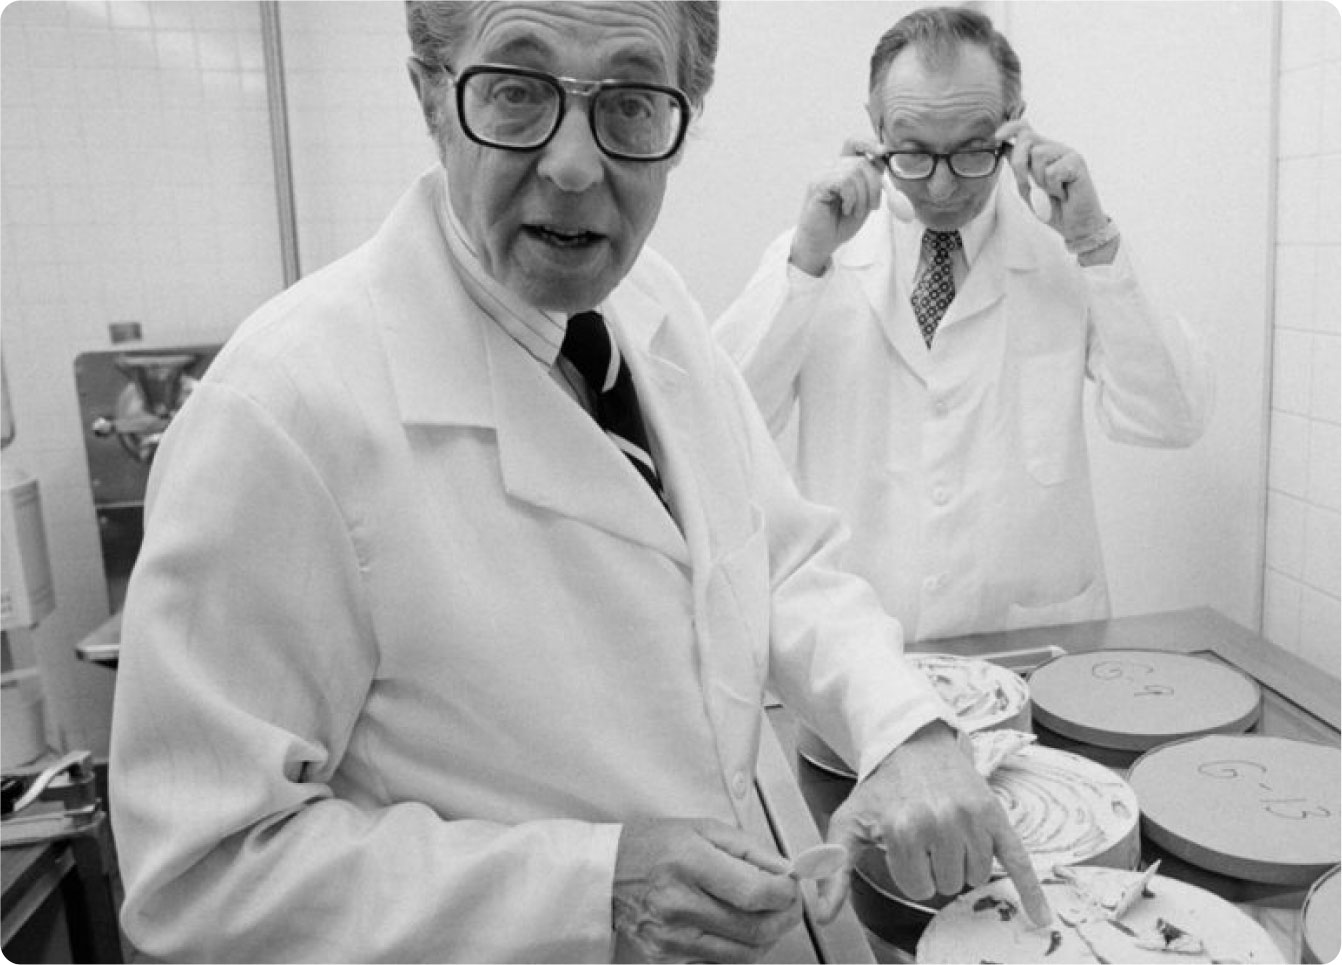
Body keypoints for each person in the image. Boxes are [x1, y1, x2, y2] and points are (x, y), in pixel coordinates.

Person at [108, 3, 1048, 962]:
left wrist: (900, 726)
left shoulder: (649, 300)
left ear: (683, 115)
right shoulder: (280, 412)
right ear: (432, 95)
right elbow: (200, 875)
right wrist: (589, 890)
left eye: (632, 101)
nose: (570, 164)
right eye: (516, 92)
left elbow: (776, 555)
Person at [716, 7, 1211, 645]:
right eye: (915, 153)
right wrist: (805, 265)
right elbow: (720, 426)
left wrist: (1094, 241)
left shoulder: (1066, 246)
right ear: (875, 129)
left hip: (1033, 645)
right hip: (860, 649)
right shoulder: (817, 252)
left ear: (1014, 126)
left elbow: (1172, 416)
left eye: (974, 151)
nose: (945, 187)